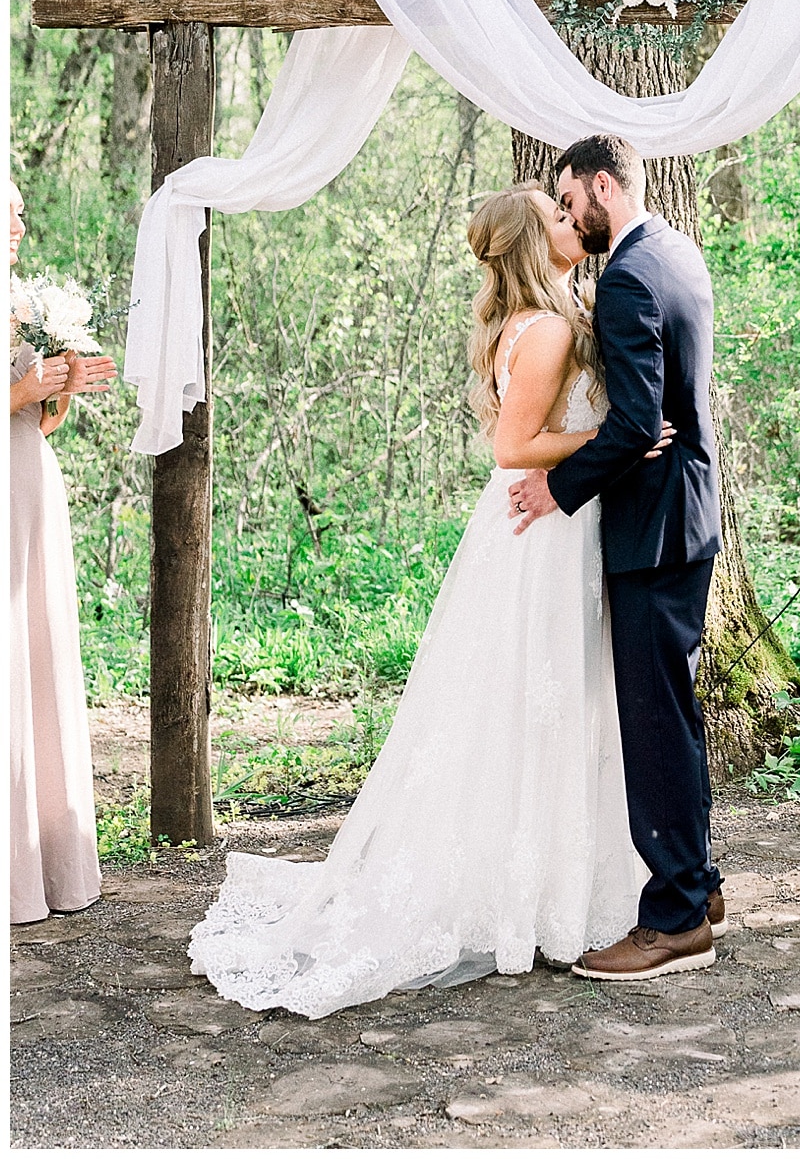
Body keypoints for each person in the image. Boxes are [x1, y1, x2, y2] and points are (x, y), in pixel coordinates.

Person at [190, 184, 669, 1017]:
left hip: (551, 525)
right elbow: (512, 445)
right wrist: (615, 436)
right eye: (557, 217)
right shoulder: (549, 326)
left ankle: (557, 880)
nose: (573, 221)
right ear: (530, 243)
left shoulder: (542, 316)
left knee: (547, 700)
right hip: (542, 527)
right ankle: (533, 897)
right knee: (543, 698)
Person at [511, 134, 726, 980]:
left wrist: (555, 491)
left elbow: (638, 426)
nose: (569, 217)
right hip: (687, 519)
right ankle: (699, 885)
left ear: (605, 185)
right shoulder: (677, 251)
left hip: (653, 529)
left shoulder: (630, 276)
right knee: (673, 711)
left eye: (571, 202)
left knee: (654, 723)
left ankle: (675, 920)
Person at [10, 180, 116, 923]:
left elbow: (37, 426)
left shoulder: (17, 298)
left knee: (38, 654)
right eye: (6, 205)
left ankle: (46, 861)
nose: (20, 217)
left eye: (20, 205)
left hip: (28, 484)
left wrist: (62, 387)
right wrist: (19, 393)